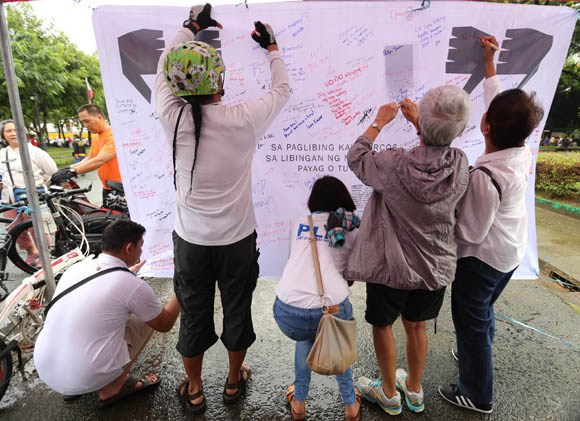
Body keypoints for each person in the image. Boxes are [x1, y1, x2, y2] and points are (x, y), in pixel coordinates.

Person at [155, 3, 290, 414]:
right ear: (220, 79)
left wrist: (190, 27)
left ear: (177, 83)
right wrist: (272, 48)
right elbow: (282, 90)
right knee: (237, 309)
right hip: (236, 241)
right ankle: (233, 382)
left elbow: (165, 65)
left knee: (193, 314)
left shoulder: (169, 113)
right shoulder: (243, 118)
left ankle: (194, 389)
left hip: (191, 242)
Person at [344, 84, 471, 414]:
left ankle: (388, 392)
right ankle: (414, 390)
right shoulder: (459, 164)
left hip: (391, 267)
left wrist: (378, 122)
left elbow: (356, 158)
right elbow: (436, 147)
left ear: (423, 122)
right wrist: (422, 126)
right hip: (434, 267)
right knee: (417, 326)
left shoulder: (392, 163)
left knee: (383, 325)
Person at [438, 36, 544, 414]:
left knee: (471, 318)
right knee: (481, 314)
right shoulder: (519, 147)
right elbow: (500, 104)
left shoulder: (486, 176)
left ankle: (476, 393)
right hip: (510, 252)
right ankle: (474, 350)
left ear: (484, 127)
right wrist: (489, 65)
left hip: (483, 260)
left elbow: (471, 232)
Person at [34, 220, 181, 406]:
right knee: (148, 317)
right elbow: (164, 323)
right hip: (84, 376)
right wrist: (183, 288)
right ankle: (113, 386)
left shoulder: (76, 268)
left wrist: (125, 274)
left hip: (47, 370)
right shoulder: (130, 284)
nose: (141, 253)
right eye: (140, 247)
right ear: (129, 248)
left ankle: (72, 387)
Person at [273, 176, 362, 421]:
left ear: (314, 200)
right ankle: (350, 404)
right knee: (335, 338)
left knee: (307, 336)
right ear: (342, 200)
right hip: (330, 307)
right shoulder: (349, 227)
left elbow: (293, 260)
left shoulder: (299, 222)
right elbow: (350, 273)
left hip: (287, 310)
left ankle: (299, 402)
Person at [0, 119, 58, 265]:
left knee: (37, 227)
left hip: (33, 195)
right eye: (8, 131)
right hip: (10, 199)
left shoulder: (35, 152)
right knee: (14, 229)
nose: (13, 133)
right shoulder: (2, 154)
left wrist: (39, 183)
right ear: (3, 134)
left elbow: (52, 172)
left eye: (16, 130)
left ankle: (45, 257)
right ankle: (31, 251)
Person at [51, 104, 123, 206]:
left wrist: (73, 172)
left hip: (120, 189)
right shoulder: (96, 137)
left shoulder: (113, 135)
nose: (85, 125)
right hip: (107, 187)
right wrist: (67, 169)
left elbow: (100, 160)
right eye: (83, 122)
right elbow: (90, 158)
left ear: (99, 117)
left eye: (87, 121)